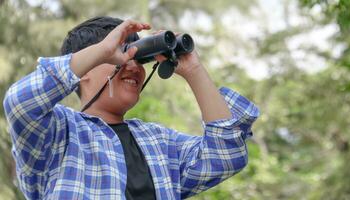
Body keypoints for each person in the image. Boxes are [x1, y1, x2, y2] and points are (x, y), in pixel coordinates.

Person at [3, 16, 259, 200]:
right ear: (82, 72)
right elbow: (19, 103)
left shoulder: (159, 142)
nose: (133, 66)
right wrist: (103, 49)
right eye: (119, 56)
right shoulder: (58, 132)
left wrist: (193, 70)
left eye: (139, 58)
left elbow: (226, 155)